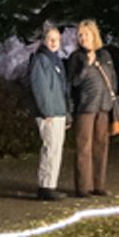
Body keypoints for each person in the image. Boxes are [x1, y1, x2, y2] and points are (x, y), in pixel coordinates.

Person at [66, 18, 118, 198]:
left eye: (86, 34)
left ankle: (99, 184)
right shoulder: (76, 57)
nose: (83, 38)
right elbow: (73, 82)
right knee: (83, 146)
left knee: (101, 146)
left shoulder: (105, 55)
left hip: (103, 107)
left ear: (94, 35)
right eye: (80, 35)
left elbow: (112, 78)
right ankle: (82, 187)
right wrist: (86, 66)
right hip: (85, 107)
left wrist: (111, 100)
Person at [26, 23, 72, 201]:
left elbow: (61, 88)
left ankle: (50, 184)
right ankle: (46, 186)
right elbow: (40, 87)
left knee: (56, 149)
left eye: (57, 40)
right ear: (44, 41)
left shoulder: (55, 60)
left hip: (58, 111)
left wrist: (66, 113)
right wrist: (47, 111)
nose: (54, 43)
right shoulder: (40, 60)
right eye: (51, 40)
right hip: (49, 113)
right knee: (50, 149)